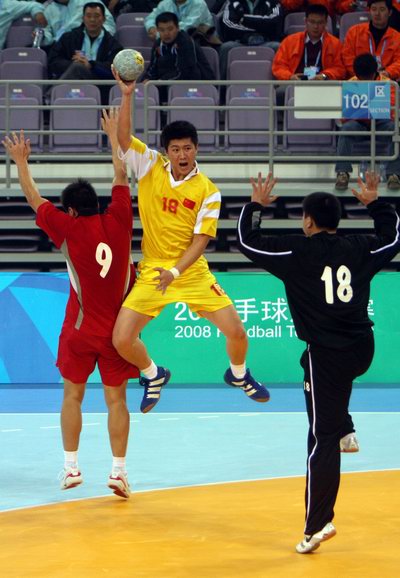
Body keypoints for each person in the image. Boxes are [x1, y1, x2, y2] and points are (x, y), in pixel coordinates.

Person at [237, 170, 400, 553]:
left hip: (327, 355)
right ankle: (345, 427)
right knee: (321, 385)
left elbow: (248, 242)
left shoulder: (298, 252)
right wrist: (376, 203)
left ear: (308, 221)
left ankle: (317, 525)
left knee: (319, 437)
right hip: (362, 348)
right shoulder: (360, 247)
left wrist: (255, 206)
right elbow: (394, 237)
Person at [110, 71, 270, 413]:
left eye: (188, 148)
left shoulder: (208, 191)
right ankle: (153, 375)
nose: (182, 154)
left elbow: (200, 242)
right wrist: (127, 95)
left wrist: (176, 272)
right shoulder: (151, 166)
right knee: (121, 339)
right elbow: (124, 139)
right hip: (154, 270)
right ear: (166, 151)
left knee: (238, 334)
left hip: (192, 273)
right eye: (176, 149)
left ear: (196, 149)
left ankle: (239, 374)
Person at [2, 109, 138, 500]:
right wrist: (114, 136)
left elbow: (33, 198)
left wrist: (22, 162)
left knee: (72, 396)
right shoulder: (121, 219)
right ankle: (119, 473)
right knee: (116, 401)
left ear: (72, 210)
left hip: (79, 332)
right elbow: (119, 175)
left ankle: (71, 467)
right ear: (99, 204)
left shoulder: (66, 227)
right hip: (117, 334)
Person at [335, 52, 400, 191]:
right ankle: (342, 173)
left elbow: (391, 111)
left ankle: (393, 174)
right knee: (346, 129)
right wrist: (369, 109)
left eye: (367, 78)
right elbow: (344, 116)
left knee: (395, 130)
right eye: (361, 78)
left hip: (380, 123)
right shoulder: (350, 84)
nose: (363, 81)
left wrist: (364, 110)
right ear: (356, 74)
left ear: (374, 72)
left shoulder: (388, 84)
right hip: (358, 124)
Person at [48, 2, 122, 103]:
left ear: (104, 19)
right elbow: (53, 61)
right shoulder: (69, 38)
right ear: (83, 18)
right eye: (88, 16)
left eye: (96, 16)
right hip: (72, 82)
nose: (92, 20)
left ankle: (50, 97)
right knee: (77, 67)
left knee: (78, 67)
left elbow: (115, 69)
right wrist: (74, 64)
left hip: (99, 84)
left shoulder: (112, 43)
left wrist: (91, 65)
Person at [141, 11, 214, 102]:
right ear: (157, 30)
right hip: (165, 83)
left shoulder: (185, 42)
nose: (166, 33)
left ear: (178, 28)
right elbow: (152, 68)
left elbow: (185, 72)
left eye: (170, 29)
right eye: (162, 30)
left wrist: (161, 81)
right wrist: (147, 79)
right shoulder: (157, 44)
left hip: (192, 85)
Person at [272, 4, 346, 81]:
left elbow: (340, 68)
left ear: (325, 23)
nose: (315, 26)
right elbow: (278, 66)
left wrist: (324, 75)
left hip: (323, 84)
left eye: (320, 22)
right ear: (306, 21)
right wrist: (290, 76)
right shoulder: (289, 41)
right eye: (312, 22)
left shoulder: (336, 44)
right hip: (295, 83)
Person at [219, 0, 283, 81]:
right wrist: (256, 29)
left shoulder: (273, 2)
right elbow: (228, 25)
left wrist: (244, 19)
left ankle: (276, 88)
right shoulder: (232, 2)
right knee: (226, 48)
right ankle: (223, 90)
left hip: (266, 41)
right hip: (240, 41)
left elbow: (273, 22)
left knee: (278, 47)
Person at [342, 0, 400, 80]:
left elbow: (399, 62)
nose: (377, 13)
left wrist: (387, 73)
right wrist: (362, 74)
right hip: (359, 80)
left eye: (382, 9)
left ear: (390, 12)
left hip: (385, 82)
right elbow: (347, 57)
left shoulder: (397, 37)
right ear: (369, 11)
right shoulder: (354, 32)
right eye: (374, 9)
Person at [42, 0, 116, 49]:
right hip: (62, 49)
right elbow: (47, 33)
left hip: (91, 45)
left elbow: (109, 25)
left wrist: (95, 38)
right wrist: (43, 37)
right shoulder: (48, 9)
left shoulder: (91, 1)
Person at [144, 0, 217, 44]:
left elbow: (187, 26)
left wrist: (158, 35)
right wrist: (151, 28)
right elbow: (150, 18)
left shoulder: (199, 3)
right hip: (172, 43)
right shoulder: (165, 3)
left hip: (201, 42)